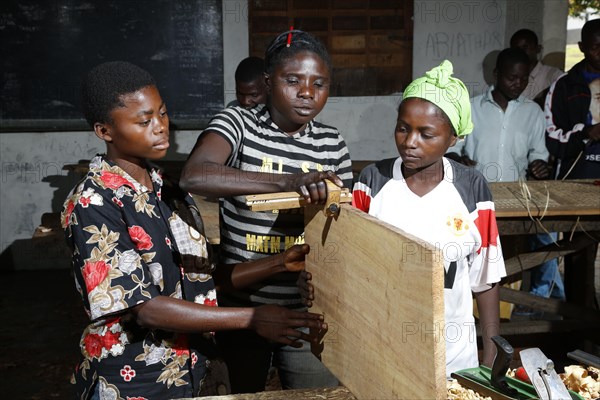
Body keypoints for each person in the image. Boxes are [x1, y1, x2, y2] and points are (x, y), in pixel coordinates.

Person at [62, 61, 327, 399]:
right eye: (144, 121)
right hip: (135, 381)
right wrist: (252, 317)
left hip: (195, 373)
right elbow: (146, 308)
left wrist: (277, 264)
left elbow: (197, 282)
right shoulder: (92, 202)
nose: (160, 128)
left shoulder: (170, 191)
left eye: (163, 114)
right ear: (105, 131)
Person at [180, 30, 352, 393]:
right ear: (268, 81)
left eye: (319, 83)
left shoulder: (331, 143)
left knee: (313, 394)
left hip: (304, 311)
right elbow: (196, 175)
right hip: (243, 306)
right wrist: (288, 182)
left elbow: (342, 228)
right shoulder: (239, 123)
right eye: (293, 81)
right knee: (245, 392)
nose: (307, 92)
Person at [352, 60, 506, 377]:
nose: (410, 142)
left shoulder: (472, 188)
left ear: (453, 138)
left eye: (427, 134)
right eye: (404, 128)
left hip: (453, 358)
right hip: (382, 352)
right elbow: (354, 265)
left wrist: (490, 356)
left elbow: (485, 278)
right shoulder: (372, 182)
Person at [452, 47, 565, 307]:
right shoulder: (471, 108)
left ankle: (519, 311)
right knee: (478, 264)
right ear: (495, 75)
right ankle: (475, 312)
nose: (518, 84)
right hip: (478, 202)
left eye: (523, 78)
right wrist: (461, 162)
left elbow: (539, 154)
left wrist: (539, 166)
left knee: (513, 261)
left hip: (517, 203)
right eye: (511, 78)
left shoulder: (532, 113)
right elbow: (454, 150)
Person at [545, 18, 600, 179]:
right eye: (595, 47)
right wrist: (585, 133)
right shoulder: (565, 86)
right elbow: (552, 140)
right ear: (582, 47)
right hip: (576, 176)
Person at [510, 29, 563, 107]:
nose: (520, 52)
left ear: (538, 49)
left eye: (525, 47)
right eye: (516, 49)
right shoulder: (509, 77)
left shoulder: (553, 74)